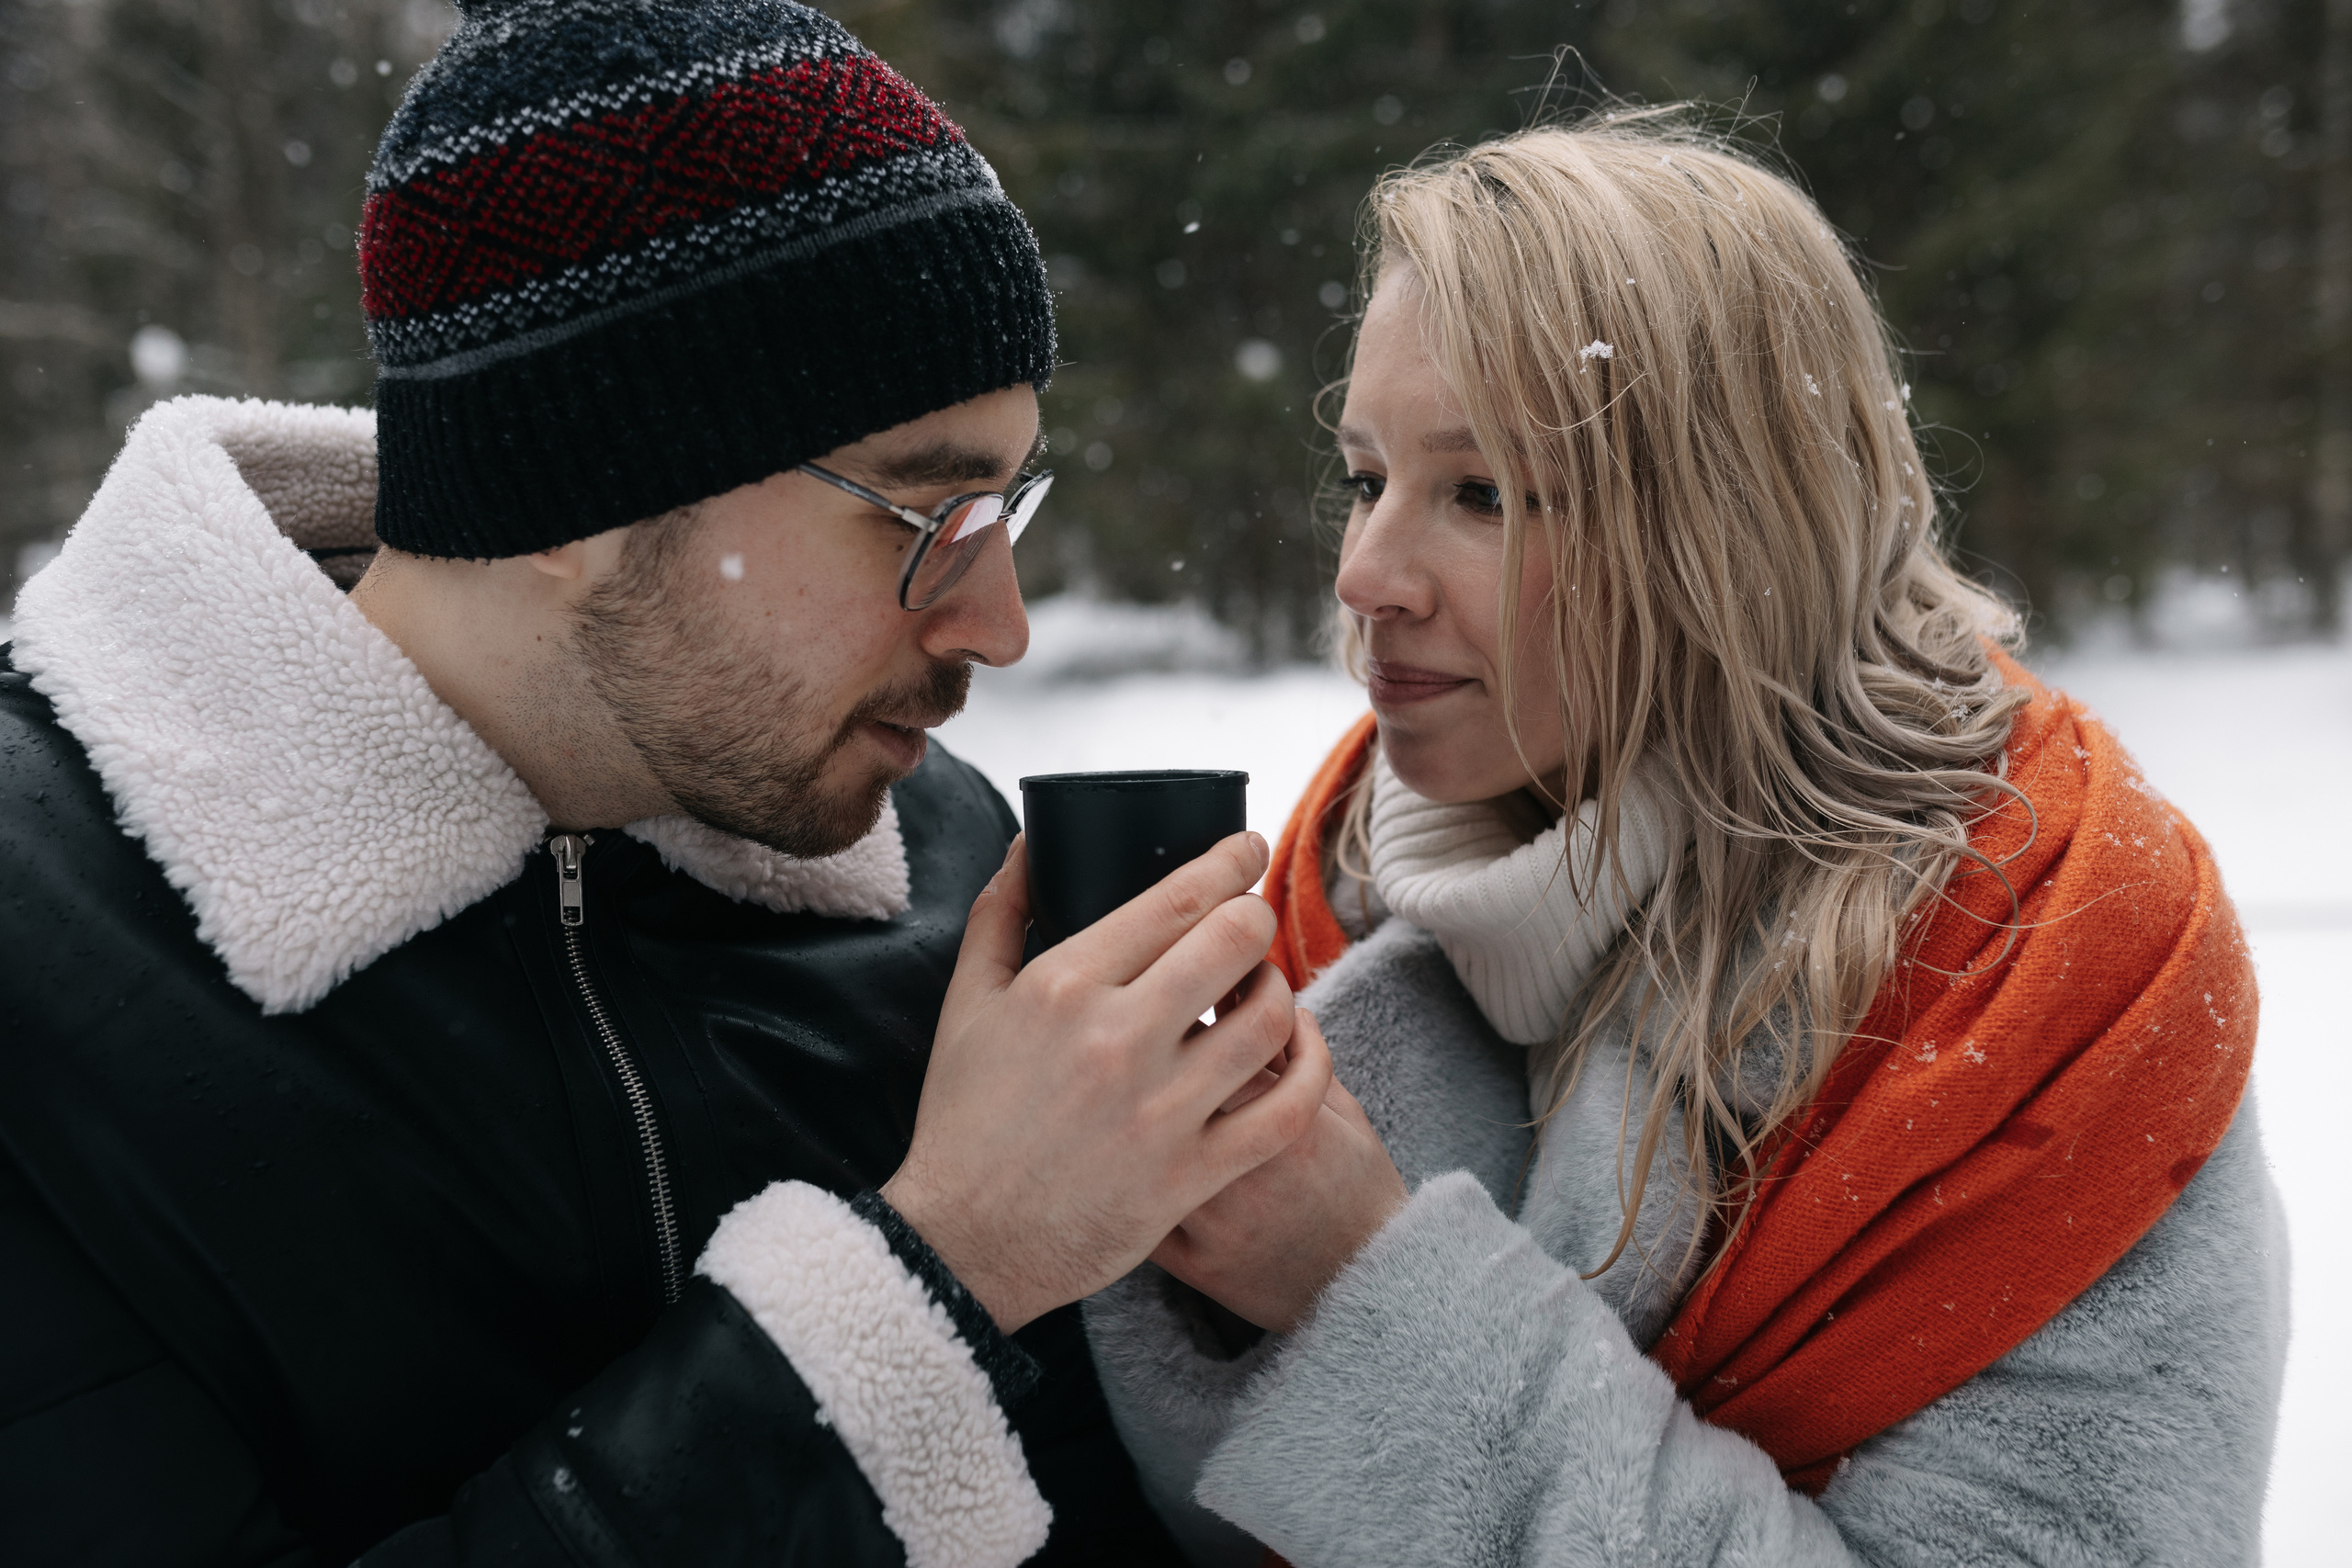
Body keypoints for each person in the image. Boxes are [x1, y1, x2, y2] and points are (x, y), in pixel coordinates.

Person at [0, 2, 1331, 1563]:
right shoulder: (49, 984)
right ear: (572, 486)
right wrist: (950, 1272)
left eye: (1007, 512)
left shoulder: (937, 854)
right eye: (921, 516)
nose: (1000, 626)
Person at [1083, 114, 2288, 1567]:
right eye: (1363, 477)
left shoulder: (2050, 987)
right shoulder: (1324, 899)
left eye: (1481, 493)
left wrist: (1367, 1291)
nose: (1366, 574)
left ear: (1720, 534)